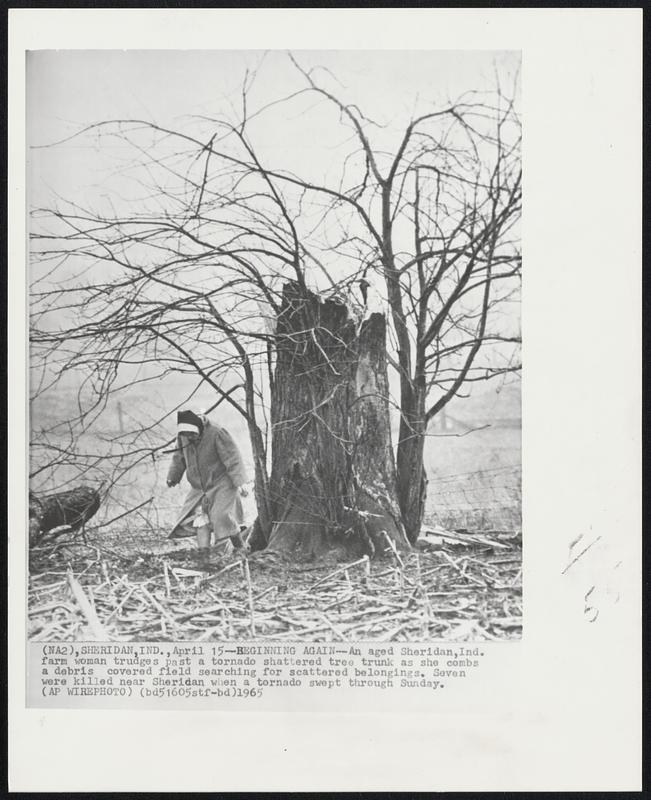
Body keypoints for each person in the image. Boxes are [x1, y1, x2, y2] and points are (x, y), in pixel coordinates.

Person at [166, 409, 250, 554]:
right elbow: (179, 455)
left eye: (193, 434)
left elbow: (232, 458)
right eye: (187, 436)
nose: (190, 438)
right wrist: (173, 476)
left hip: (222, 483)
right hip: (199, 487)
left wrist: (241, 482)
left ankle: (237, 547)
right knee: (200, 518)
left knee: (221, 516)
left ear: (199, 428)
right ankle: (204, 555)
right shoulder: (183, 437)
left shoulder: (217, 433)